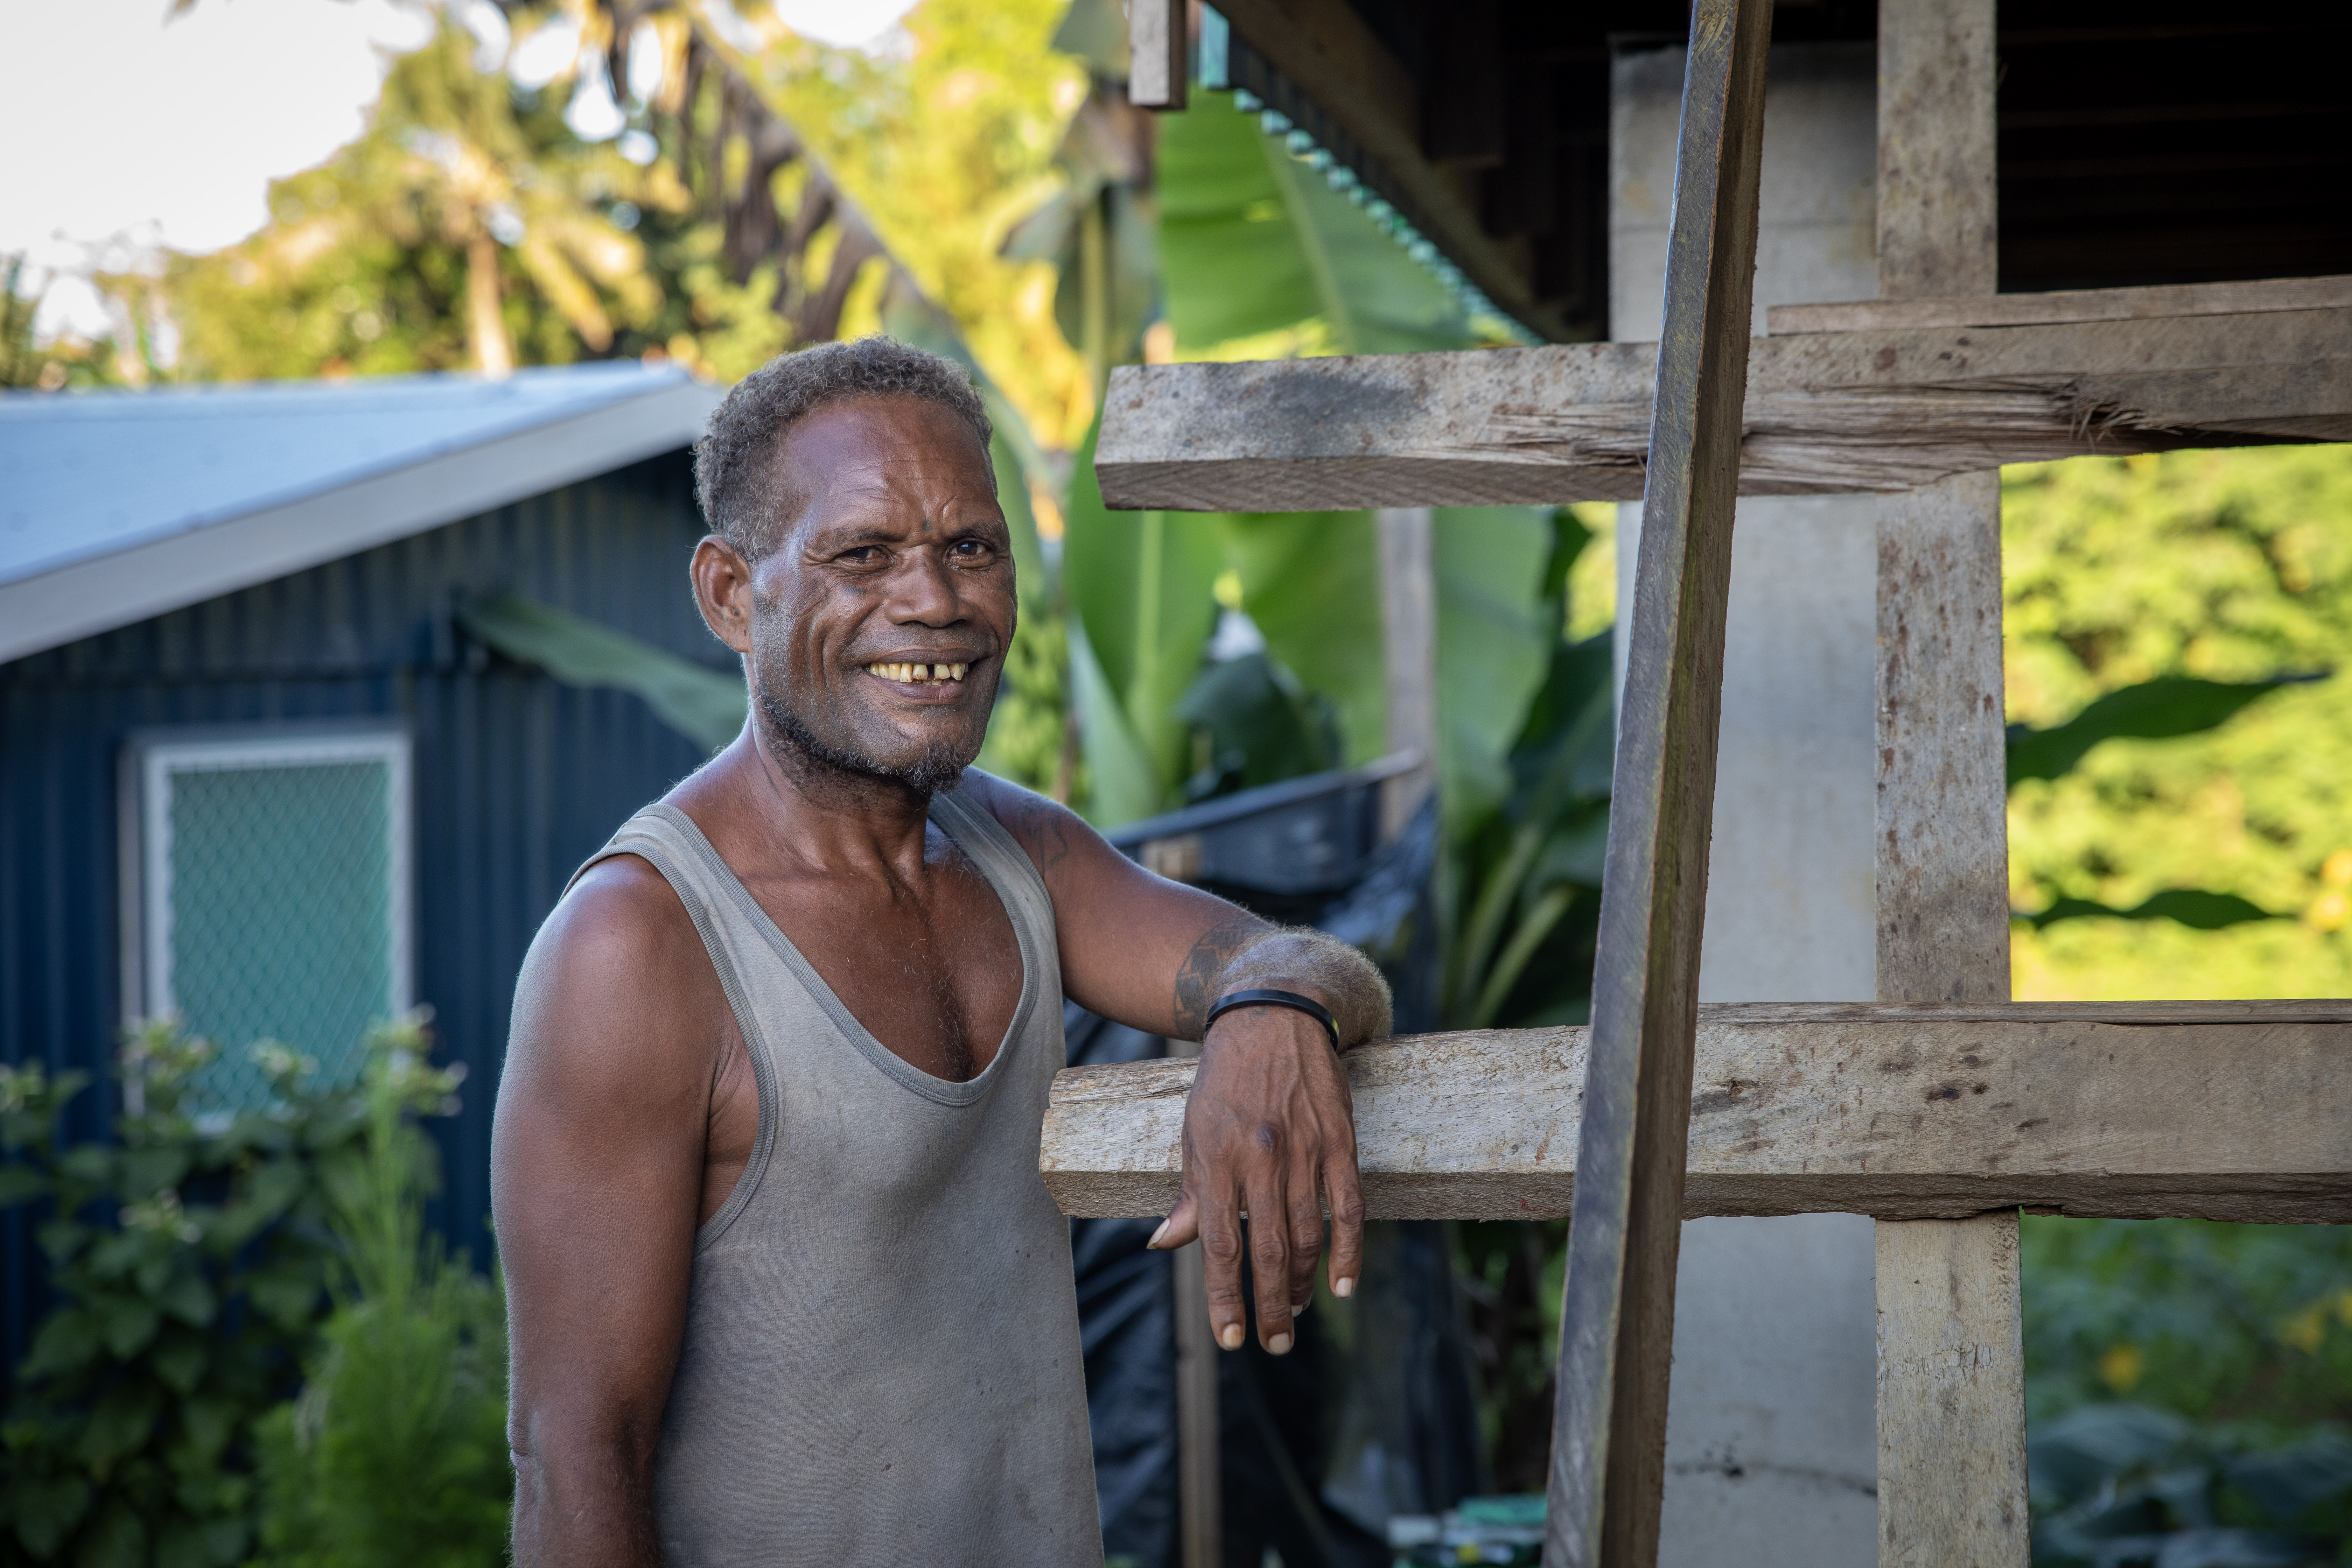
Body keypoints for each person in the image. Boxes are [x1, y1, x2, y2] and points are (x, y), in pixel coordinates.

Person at [492, 337, 1394, 1567]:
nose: (935, 599)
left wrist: (1271, 1013)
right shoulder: (638, 946)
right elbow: (573, 1457)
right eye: (862, 553)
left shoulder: (1019, 851)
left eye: (972, 546)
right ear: (730, 595)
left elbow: (1294, 957)